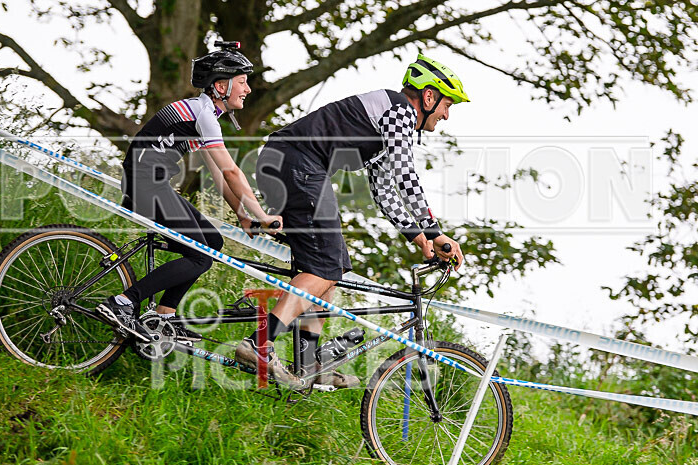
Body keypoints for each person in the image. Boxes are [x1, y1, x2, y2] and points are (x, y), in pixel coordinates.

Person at [235, 54, 468, 389]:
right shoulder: (400, 109)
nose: (446, 115)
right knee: (325, 267)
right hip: (297, 163)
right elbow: (406, 175)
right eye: (447, 105)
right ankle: (260, 344)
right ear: (428, 97)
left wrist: (420, 238)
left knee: (331, 272)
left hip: (287, 163)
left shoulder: (388, 120)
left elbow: (385, 190)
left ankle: (307, 364)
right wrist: (436, 231)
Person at [97, 42, 282, 342]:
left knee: (211, 242)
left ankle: (164, 316)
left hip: (149, 183)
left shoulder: (203, 113)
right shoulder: (203, 114)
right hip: (145, 184)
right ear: (221, 85)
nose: (248, 89)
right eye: (243, 82)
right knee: (200, 255)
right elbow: (232, 171)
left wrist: (243, 215)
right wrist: (263, 215)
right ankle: (123, 302)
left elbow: (219, 174)